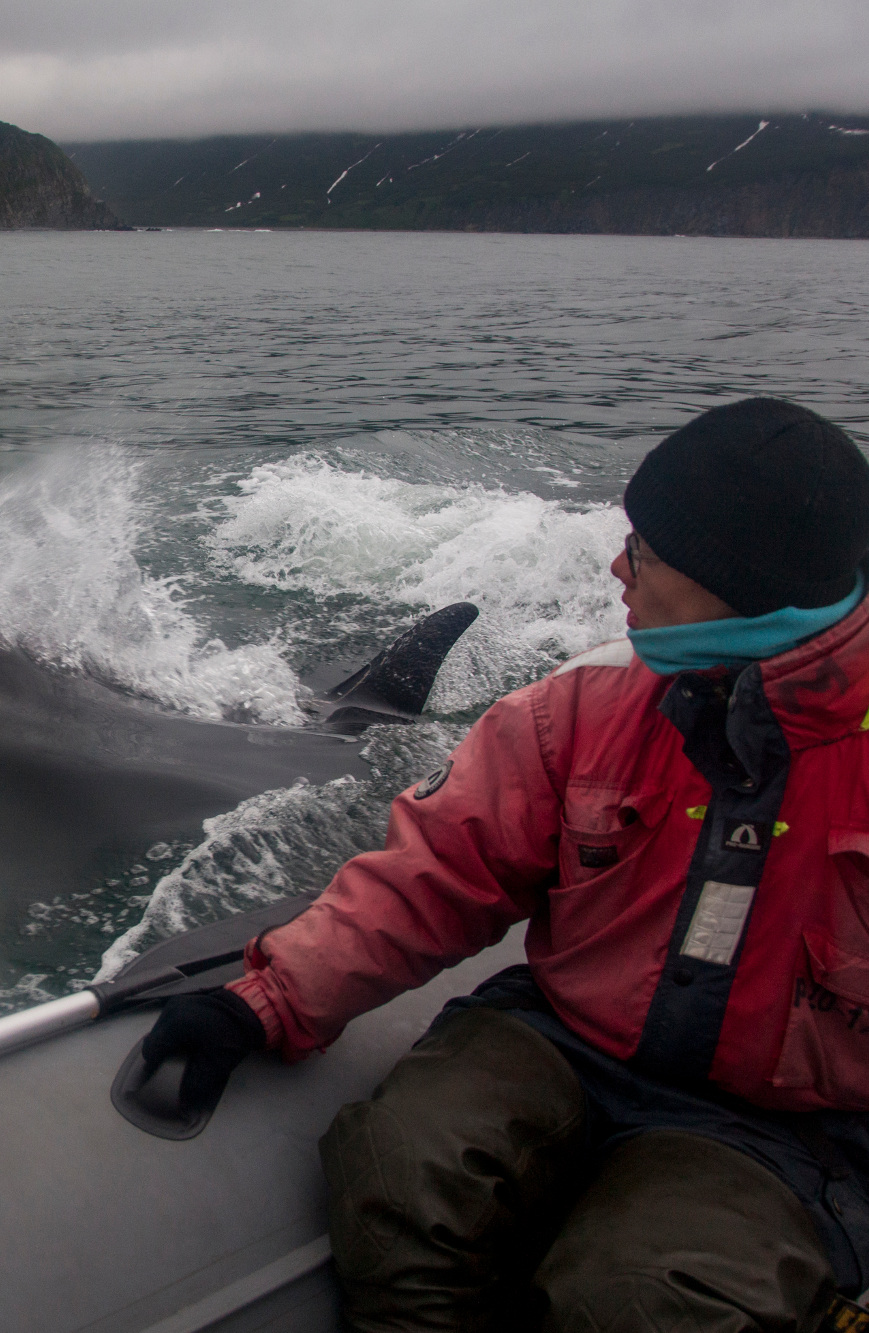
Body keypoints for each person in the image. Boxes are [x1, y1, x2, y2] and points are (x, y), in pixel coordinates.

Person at [141, 397, 869, 1333]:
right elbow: (438, 872)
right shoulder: (578, 707)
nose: (617, 569)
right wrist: (270, 997)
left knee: (644, 1300)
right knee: (394, 1168)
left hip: (786, 1128)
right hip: (566, 1039)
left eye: (642, 551)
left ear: (736, 582)